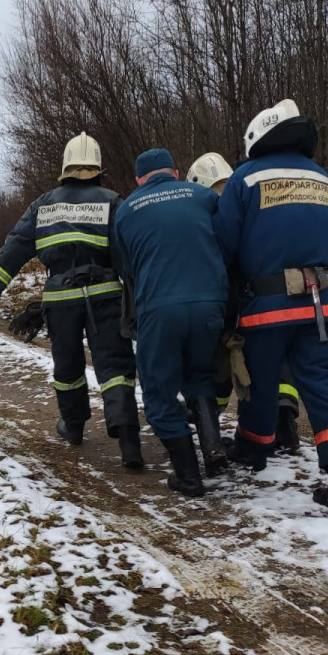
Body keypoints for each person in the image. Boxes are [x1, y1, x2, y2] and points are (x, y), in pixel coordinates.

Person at [213, 99, 328, 508]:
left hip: (267, 304)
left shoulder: (246, 178)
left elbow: (224, 243)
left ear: (258, 137)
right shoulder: (325, 181)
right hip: (322, 301)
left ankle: (253, 448)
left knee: (259, 381)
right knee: (327, 381)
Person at [0, 132, 142, 467]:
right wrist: (141, 293)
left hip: (61, 295)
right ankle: (128, 441)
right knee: (115, 365)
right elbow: (129, 253)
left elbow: (16, 246)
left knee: (68, 366)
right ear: (98, 167)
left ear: (65, 167)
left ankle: (74, 426)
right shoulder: (112, 200)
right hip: (104, 290)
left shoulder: (44, 203)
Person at [114, 148, 228, 496]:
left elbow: (126, 269)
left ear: (138, 180)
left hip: (160, 308)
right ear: (176, 173)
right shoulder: (205, 196)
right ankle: (212, 447)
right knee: (199, 375)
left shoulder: (126, 211)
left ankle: (188, 476)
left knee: (159, 391)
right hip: (211, 303)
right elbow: (225, 241)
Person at [187, 152, 302, 453]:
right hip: (264, 296)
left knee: (220, 361)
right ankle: (285, 421)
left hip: (226, 300)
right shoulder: (248, 198)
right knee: (275, 361)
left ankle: (210, 418)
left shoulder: (206, 210)